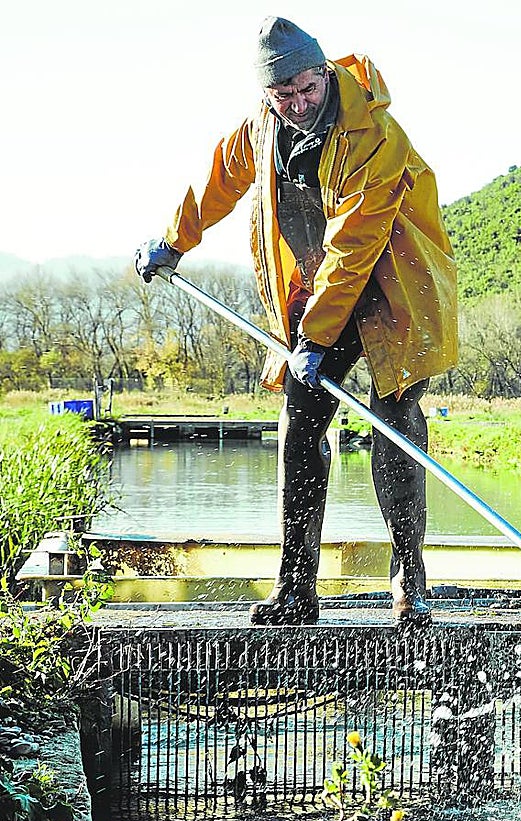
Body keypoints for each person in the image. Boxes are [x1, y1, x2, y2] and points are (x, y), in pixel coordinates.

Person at [135, 17, 458, 627]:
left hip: (389, 287)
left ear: (323, 72)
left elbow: (356, 243)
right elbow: (216, 182)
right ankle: (296, 587)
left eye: (307, 90)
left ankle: (410, 578)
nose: (299, 105)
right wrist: (174, 241)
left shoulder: (374, 132)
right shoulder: (264, 127)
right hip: (316, 291)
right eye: (284, 97)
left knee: (393, 421)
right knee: (299, 421)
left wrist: (314, 336)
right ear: (267, 95)